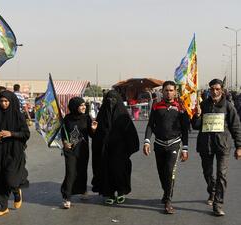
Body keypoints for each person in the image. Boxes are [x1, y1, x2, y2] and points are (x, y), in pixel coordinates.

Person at [191, 79, 241, 216]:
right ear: (209, 90)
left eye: (217, 89)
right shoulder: (203, 105)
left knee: (221, 175)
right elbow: (195, 126)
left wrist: (239, 146)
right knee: (207, 173)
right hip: (205, 145)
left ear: (222, 90)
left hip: (223, 146)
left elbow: (236, 126)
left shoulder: (228, 106)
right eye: (212, 89)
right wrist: (197, 115)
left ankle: (218, 204)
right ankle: (212, 191)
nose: (214, 91)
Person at [143, 80, 189, 214]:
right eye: (166, 90)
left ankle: (168, 201)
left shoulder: (180, 106)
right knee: (162, 173)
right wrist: (147, 141)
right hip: (159, 144)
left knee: (169, 171)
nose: (169, 93)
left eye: (171, 90)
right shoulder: (156, 105)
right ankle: (166, 191)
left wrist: (185, 148)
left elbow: (185, 129)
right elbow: (151, 125)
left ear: (175, 92)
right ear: (162, 91)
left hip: (174, 143)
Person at [91, 90, 139, 205]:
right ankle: (109, 193)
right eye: (108, 99)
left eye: (113, 99)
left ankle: (121, 192)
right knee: (106, 171)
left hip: (120, 151)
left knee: (120, 170)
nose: (110, 102)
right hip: (105, 150)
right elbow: (96, 134)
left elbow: (130, 133)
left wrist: (128, 149)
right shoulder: (102, 115)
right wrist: (94, 130)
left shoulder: (123, 116)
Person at [61, 97, 97, 209]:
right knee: (70, 172)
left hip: (83, 150)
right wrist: (65, 142)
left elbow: (92, 135)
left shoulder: (87, 118)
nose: (83, 107)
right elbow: (63, 133)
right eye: (81, 105)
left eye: (84, 105)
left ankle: (83, 190)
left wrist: (94, 129)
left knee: (82, 170)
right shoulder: (67, 118)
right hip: (70, 150)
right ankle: (67, 197)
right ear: (74, 106)